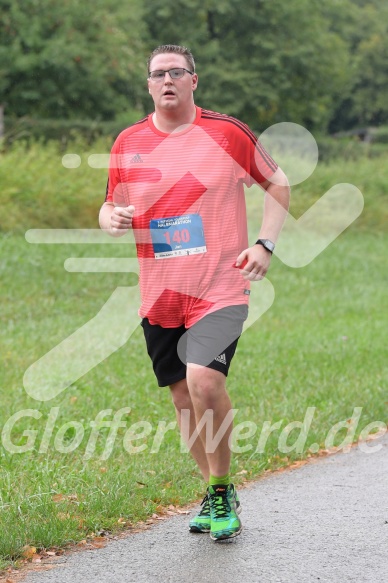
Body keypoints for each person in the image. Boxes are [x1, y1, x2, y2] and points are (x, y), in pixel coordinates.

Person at [99, 44, 290, 541]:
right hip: (160, 293)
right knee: (183, 396)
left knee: (205, 382)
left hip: (220, 285)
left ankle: (223, 488)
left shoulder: (226, 133)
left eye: (176, 72)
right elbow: (108, 205)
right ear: (148, 84)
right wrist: (111, 218)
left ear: (193, 81)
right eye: (157, 74)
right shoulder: (128, 141)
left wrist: (265, 244)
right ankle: (212, 492)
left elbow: (278, 183)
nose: (167, 80)